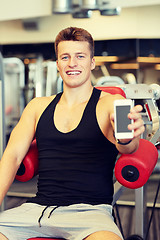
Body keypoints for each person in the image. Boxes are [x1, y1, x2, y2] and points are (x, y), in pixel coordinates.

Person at [0, 27, 144, 240]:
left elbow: (128, 147)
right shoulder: (37, 107)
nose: (72, 63)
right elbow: (12, 157)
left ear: (92, 62)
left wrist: (127, 137)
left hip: (90, 214)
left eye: (80, 56)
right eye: (65, 57)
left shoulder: (110, 103)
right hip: (37, 211)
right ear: (57, 63)